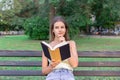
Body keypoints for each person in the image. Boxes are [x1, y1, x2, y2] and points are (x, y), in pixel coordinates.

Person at [42, 16, 78, 80]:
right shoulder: (48, 47)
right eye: (56, 27)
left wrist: (65, 45)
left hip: (67, 74)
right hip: (53, 73)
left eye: (62, 27)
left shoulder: (71, 43)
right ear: (53, 30)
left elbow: (74, 64)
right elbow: (44, 71)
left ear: (65, 29)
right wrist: (51, 66)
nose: (60, 30)